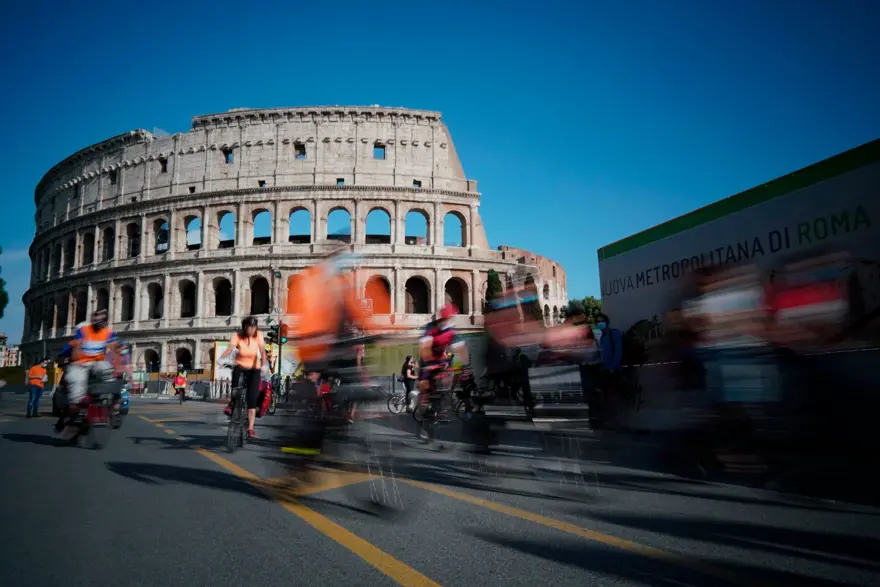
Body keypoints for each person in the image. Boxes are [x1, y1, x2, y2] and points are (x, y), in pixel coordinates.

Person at [219, 316, 269, 439]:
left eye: (254, 327)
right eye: (249, 327)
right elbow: (230, 349)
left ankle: (250, 428)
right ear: (244, 327)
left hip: (254, 369)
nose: (251, 330)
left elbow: (262, 351)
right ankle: (232, 404)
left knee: (252, 398)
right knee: (235, 388)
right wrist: (221, 358)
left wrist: (263, 365)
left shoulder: (259, 335)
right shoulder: (237, 335)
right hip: (240, 366)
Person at [65, 309, 120, 414]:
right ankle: (76, 403)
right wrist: (76, 359)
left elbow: (115, 349)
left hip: (97, 362)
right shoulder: (83, 330)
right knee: (77, 378)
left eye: (102, 320)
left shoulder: (109, 333)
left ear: (105, 322)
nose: (98, 322)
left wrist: (117, 364)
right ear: (93, 319)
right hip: (81, 362)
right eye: (96, 319)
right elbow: (77, 347)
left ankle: (114, 397)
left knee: (108, 371)